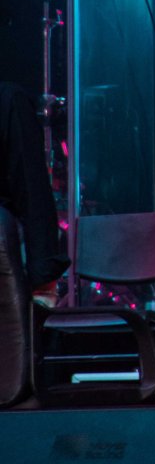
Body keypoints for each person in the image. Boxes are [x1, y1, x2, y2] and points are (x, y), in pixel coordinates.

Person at [0, 81, 69, 406]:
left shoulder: (8, 100)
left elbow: (32, 192)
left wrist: (43, 280)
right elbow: (32, 191)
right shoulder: (9, 100)